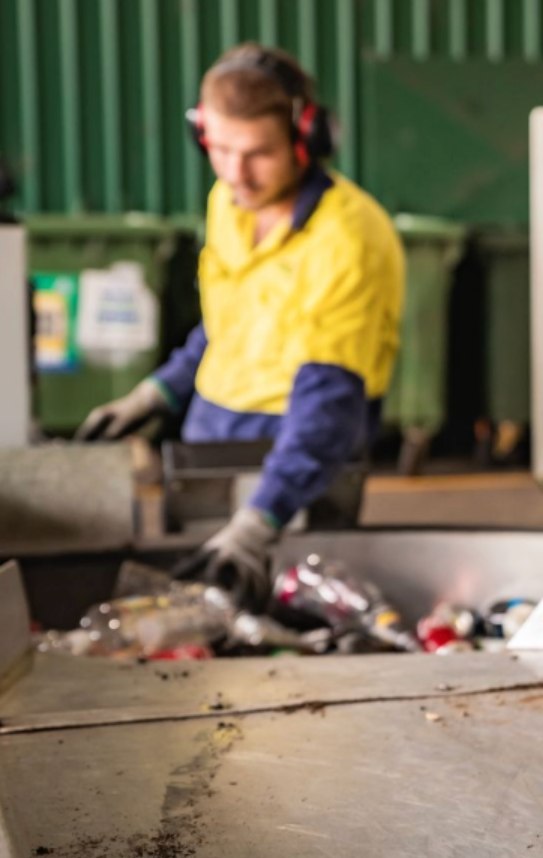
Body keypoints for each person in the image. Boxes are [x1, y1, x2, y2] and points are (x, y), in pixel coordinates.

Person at [76, 44, 405, 608]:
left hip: (298, 463)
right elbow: (228, 327)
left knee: (293, 620)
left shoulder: (347, 240)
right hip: (210, 445)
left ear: (307, 138)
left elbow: (329, 402)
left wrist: (263, 518)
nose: (236, 173)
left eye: (258, 154)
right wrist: (154, 393)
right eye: (220, 149)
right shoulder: (229, 206)